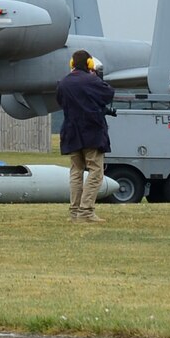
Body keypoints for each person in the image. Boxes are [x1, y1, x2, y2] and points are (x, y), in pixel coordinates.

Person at [55, 50, 115, 223]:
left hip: (71, 132)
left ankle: (74, 212)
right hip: (91, 132)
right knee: (96, 172)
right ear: (89, 64)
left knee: (76, 172)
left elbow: (60, 102)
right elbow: (108, 95)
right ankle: (86, 211)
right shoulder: (92, 80)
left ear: (72, 64)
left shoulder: (63, 83)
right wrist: (96, 75)